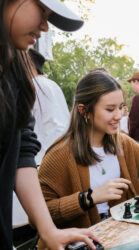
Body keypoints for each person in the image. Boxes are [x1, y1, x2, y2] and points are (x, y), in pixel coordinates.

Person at [38, 70, 139, 246]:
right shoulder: (59, 155)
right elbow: (39, 215)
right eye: (110, 109)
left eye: (120, 107)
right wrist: (89, 198)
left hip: (121, 237)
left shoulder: (122, 143)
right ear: (84, 110)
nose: (119, 116)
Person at [0, 0, 99, 248]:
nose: (44, 27)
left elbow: (23, 151)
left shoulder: (14, 73)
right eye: (43, 13)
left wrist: (48, 230)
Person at [29, 48, 70, 165]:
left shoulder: (33, 85)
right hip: (59, 152)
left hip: (41, 158)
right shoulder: (53, 85)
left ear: (29, 64)